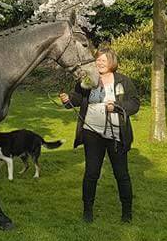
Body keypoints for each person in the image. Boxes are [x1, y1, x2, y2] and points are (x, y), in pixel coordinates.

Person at [59, 47, 140, 223]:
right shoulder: (88, 80)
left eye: (103, 60)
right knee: (91, 173)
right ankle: (87, 212)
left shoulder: (123, 81)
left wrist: (118, 107)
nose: (99, 63)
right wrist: (68, 100)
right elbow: (78, 98)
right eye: (97, 61)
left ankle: (127, 214)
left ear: (112, 62)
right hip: (92, 132)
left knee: (122, 174)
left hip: (116, 133)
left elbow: (134, 103)